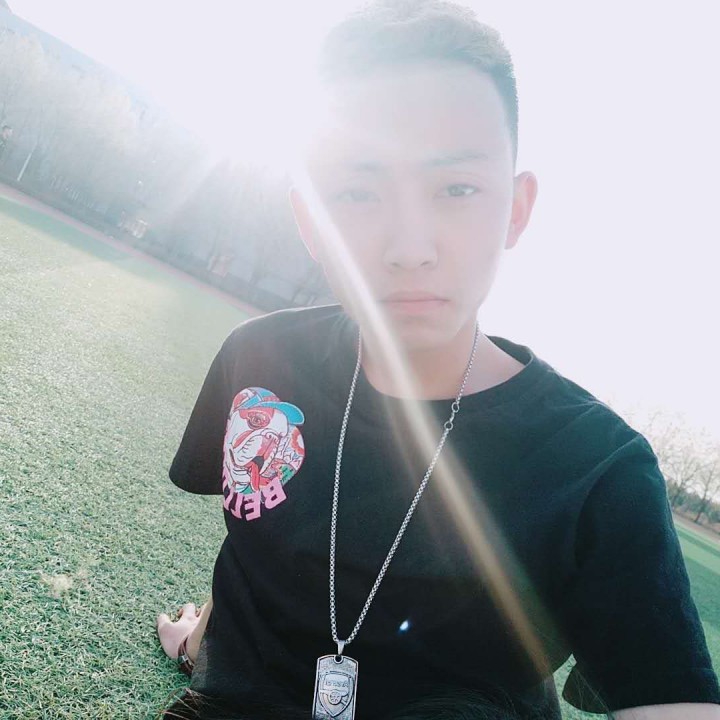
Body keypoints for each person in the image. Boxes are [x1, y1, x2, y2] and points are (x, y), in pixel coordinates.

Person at [157, 1, 720, 718]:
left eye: (457, 189)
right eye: (357, 192)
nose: (409, 248)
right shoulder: (258, 360)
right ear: (311, 223)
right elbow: (255, 546)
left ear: (515, 210)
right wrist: (200, 642)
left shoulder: (597, 469)